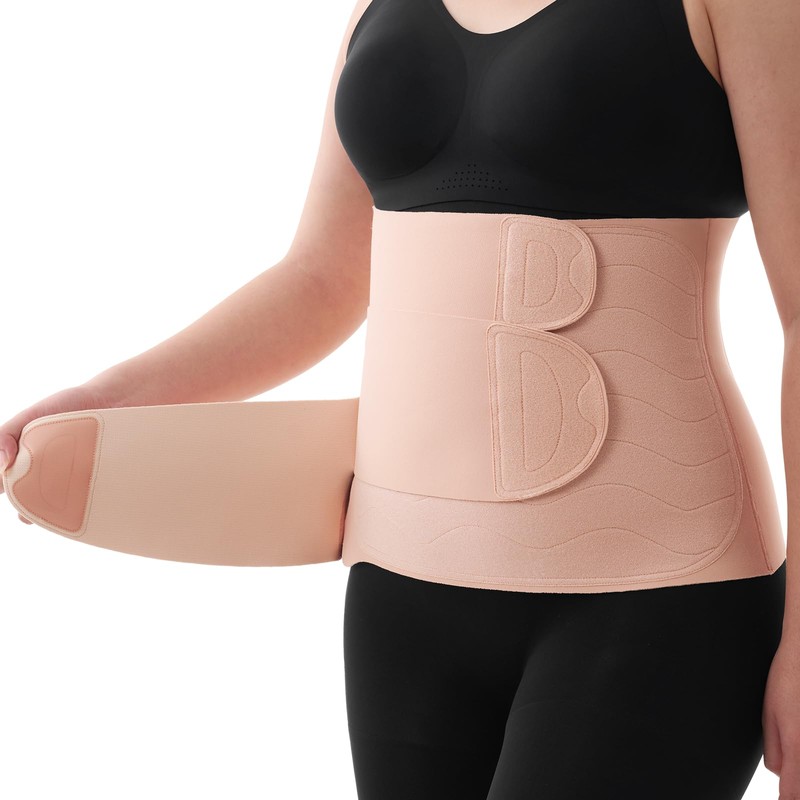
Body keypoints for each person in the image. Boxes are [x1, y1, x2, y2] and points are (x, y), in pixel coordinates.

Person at [1, 0, 798, 797]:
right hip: (403, 589)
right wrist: (100, 401)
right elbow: (320, 280)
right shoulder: (375, 9)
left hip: (656, 587)